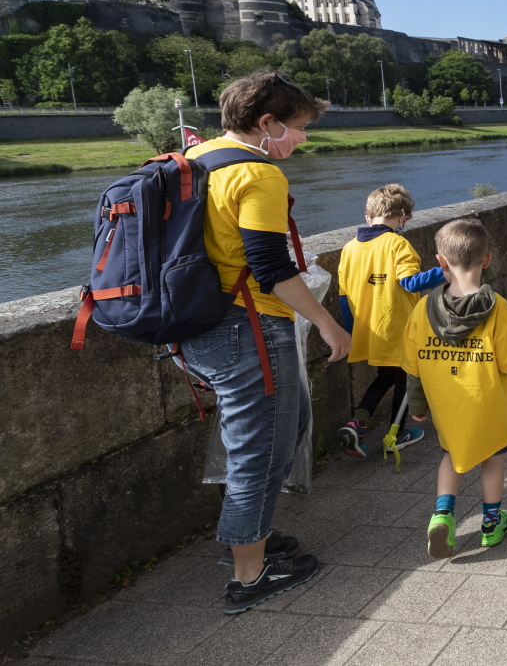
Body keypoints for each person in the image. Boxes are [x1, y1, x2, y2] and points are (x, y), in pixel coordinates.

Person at [181, 71, 351, 613]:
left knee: (286, 427)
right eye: (297, 128)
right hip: (246, 327)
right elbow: (271, 268)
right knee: (260, 450)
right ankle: (249, 576)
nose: (302, 138)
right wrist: (327, 323)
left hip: (201, 323)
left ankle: (247, 538)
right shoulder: (258, 174)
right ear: (267, 123)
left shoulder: (199, 157)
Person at [403, 219, 507, 559]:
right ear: (487, 260)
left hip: (448, 406)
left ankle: (442, 515)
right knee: (491, 460)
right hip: (489, 407)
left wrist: (416, 403)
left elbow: (412, 364)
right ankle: (491, 524)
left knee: (452, 456)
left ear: (440, 262)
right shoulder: (499, 309)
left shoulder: (422, 310)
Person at [336, 184, 446, 458]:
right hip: (398, 329)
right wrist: (447, 270)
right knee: (404, 381)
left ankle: (356, 423)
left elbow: (343, 297)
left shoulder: (349, 249)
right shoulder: (398, 243)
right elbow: (410, 282)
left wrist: (353, 332)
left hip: (368, 330)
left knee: (386, 376)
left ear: (367, 217)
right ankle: (394, 436)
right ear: (403, 219)